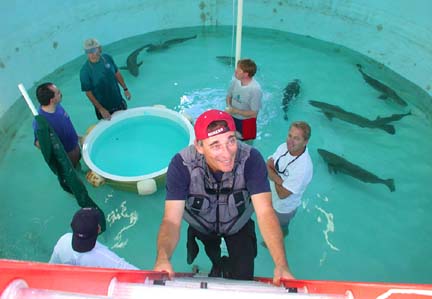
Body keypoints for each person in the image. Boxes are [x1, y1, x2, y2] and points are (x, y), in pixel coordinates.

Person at [154, 109, 294, 284]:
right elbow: (171, 220)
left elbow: (265, 211)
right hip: (203, 226)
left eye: (231, 140)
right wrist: (163, 257)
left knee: (244, 275)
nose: (227, 154)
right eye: (215, 145)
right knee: (212, 252)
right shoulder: (181, 165)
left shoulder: (251, 159)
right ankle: (218, 264)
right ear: (199, 146)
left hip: (238, 224)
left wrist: (281, 264)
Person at [49, 207, 138, 270]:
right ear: (98, 229)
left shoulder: (63, 240)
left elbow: (51, 267)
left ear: (72, 226)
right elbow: (141, 276)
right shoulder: (103, 256)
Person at [267, 121, 313, 239]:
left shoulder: (303, 168)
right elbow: (268, 164)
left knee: (281, 226)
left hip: (284, 208)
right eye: (290, 136)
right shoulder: (284, 147)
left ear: (305, 142)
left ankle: (283, 235)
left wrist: (273, 175)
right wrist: (280, 181)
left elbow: (282, 194)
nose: (290, 141)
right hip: (272, 195)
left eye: (296, 138)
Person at [80, 38, 131, 120]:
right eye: (87, 51)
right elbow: (88, 93)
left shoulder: (107, 58)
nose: (90, 54)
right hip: (105, 109)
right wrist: (101, 109)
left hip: (119, 101)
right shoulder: (85, 72)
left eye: (93, 50)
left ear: (99, 48)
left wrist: (125, 89)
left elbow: (116, 73)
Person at [33, 82, 81, 168]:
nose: (61, 94)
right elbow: (38, 143)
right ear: (52, 100)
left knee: (77, 165)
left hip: (74, 145)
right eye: (58, 93)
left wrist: (77, 137)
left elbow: (66, 124)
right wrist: (59, 155)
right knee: (73, 171)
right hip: (66, 155)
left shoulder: (57, 106)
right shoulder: (40, 122)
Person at [225, 59, 262, 140]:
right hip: (232, 117)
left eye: (238, 70)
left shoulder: (255, 90)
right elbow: (228, 96)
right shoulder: (235, 80)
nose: (235, 71)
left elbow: (254, 113)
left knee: (247, 145)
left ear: (245, 74)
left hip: (247, 123)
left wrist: (234, 111)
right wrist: (228, 107)